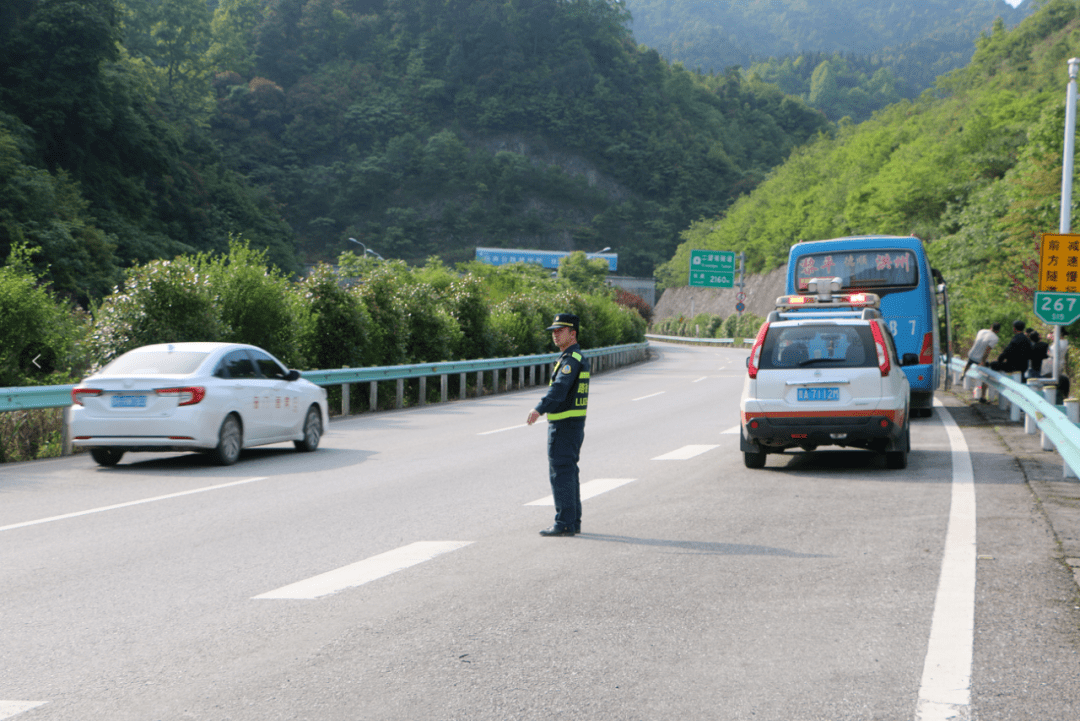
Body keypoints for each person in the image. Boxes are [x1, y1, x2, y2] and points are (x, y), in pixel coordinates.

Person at [527, 313, 590, 537]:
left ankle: (564, 523)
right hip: (571, 425)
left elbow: (560, 389)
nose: (555, 334)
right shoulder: (572, 357)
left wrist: (539, 408)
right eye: (553, 331)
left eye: (560, 330)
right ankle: (573, 522)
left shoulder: (571, 360)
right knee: (569, 472)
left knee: (561, 473)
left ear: (572, 333)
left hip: (564, 425)